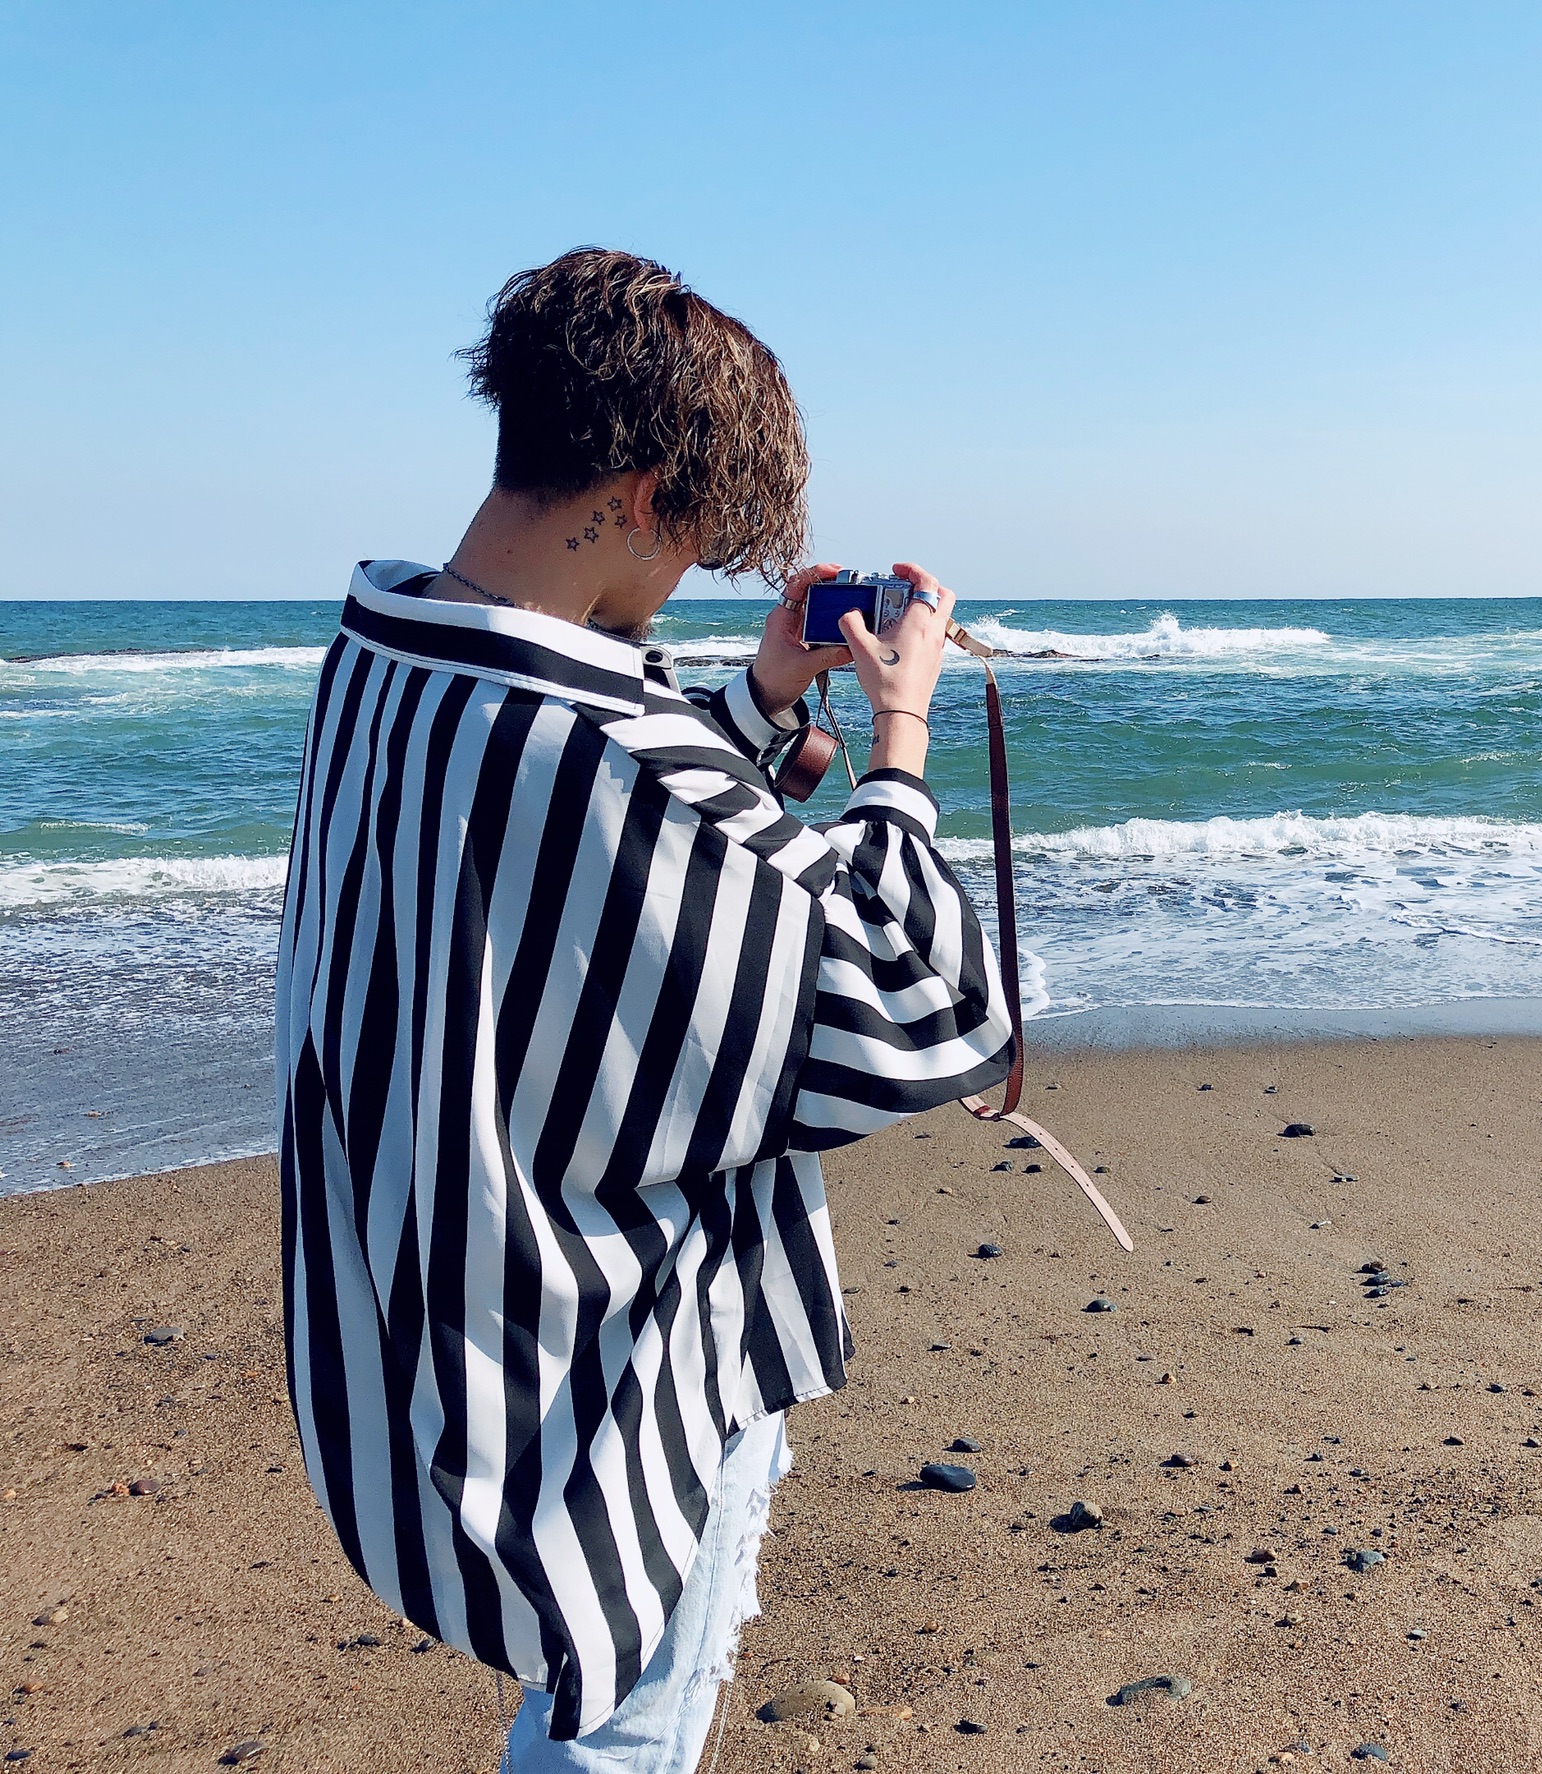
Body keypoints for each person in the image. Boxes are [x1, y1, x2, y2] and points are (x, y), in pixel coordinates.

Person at [273, 247, 1013, 1772]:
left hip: (433, 1313)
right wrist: (901, 731)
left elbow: (589, 884)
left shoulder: (382, 649)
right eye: (696, 533)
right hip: (602, 1369)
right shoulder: (606, 751)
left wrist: (754, 706)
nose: (684, 573)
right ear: (643, 487)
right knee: (618, 1717)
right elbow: (919, 997)